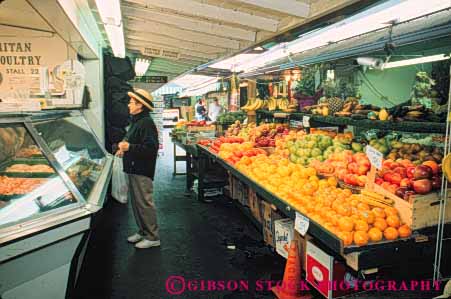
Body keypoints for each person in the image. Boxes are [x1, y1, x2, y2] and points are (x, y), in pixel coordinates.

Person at [116, 88, 160, 249]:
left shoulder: (146, 123)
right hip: (134, 167)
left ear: (140, 105)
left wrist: (130, 147)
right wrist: (123, 147)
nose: (128, 105)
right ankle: (143, 231)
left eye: (131, 102)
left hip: (142, 169)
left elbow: (151, 148)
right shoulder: (137, 120)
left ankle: (153, 236)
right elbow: (132, 140)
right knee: (136, 203)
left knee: (144, 203)